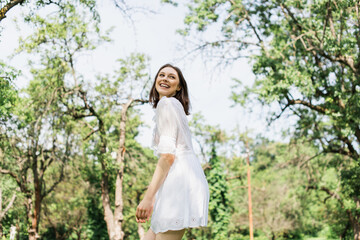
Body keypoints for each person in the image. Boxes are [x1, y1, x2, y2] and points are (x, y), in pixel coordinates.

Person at [136, 64, 209, 240]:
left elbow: (168, 156)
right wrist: (155, 198)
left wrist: (148, 198)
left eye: (171, 77)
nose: (165, 79)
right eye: (161, 75)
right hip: (175, 182)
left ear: (179, 87)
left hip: (180, 182)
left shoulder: (168, 104)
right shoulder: (170, 105)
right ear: (155, 81)